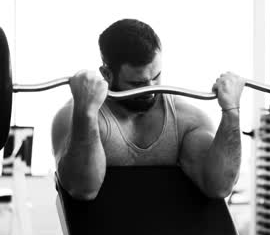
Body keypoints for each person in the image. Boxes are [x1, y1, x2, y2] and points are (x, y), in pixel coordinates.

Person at [51, 19, 245, 200]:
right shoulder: (74, 116)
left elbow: (219, 187)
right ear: (107, 74)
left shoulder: (186, 119)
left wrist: (231, 113)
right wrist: (85, 114)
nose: (151, 89)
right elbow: (83, 189)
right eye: (138, 83)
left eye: (156, 76)